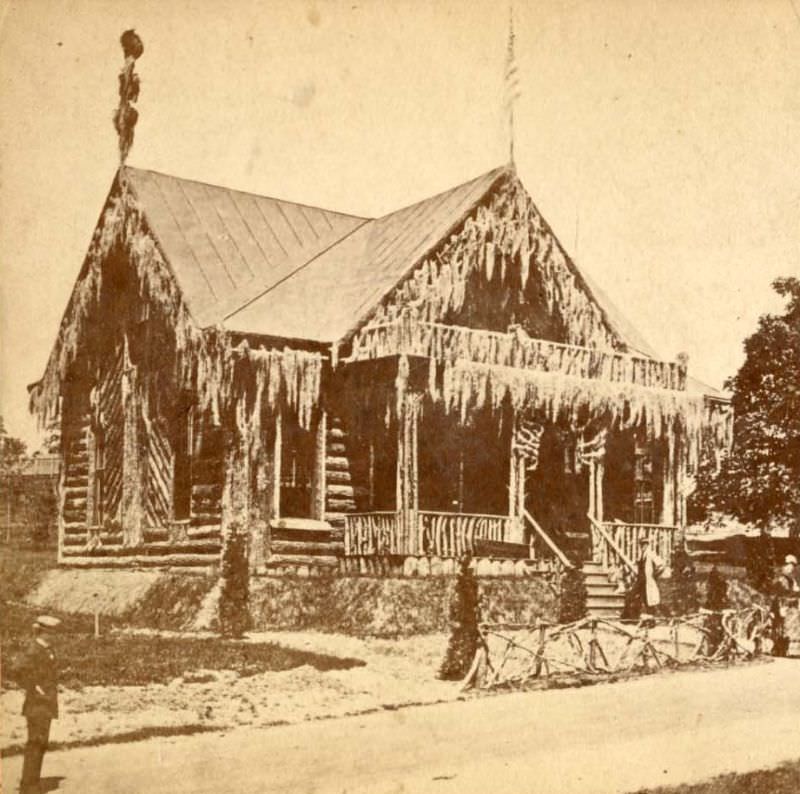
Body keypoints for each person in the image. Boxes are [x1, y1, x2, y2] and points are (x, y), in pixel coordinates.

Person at [19, 615, 60, 794]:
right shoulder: (33, 650)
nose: (54, 635)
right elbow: (21, 672)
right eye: (52, 632)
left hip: (47, 704)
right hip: (37, 705)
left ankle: (32, 783)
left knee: (41, 743)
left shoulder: (48, 650)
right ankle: (29, 787)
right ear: (43, 632)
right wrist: (36, 689)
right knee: (35, 743)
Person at [636, 536, 666, 616]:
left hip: (647, 581)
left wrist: (655, 575)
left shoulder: (651, 553)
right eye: (641, 544)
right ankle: (644, 619)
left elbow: (661, 565)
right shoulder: (642, 555)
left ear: (647, 545)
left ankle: (651, 620)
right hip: (641, 581)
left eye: (644, 544)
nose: (642, 546)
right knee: (642, 600)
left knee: (650, 601)